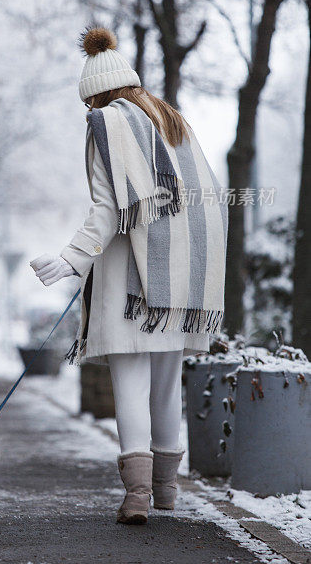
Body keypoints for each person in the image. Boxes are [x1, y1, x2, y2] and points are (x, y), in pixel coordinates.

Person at [31, 27, 228, 525]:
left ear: (96, 94)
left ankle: (137, 497)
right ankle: (166, 493)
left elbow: (107, 207)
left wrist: (73, 259)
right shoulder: (173, 123)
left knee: (131, 386)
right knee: (166, 388)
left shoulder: (106, 124)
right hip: (179, 281)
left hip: (129, 281)